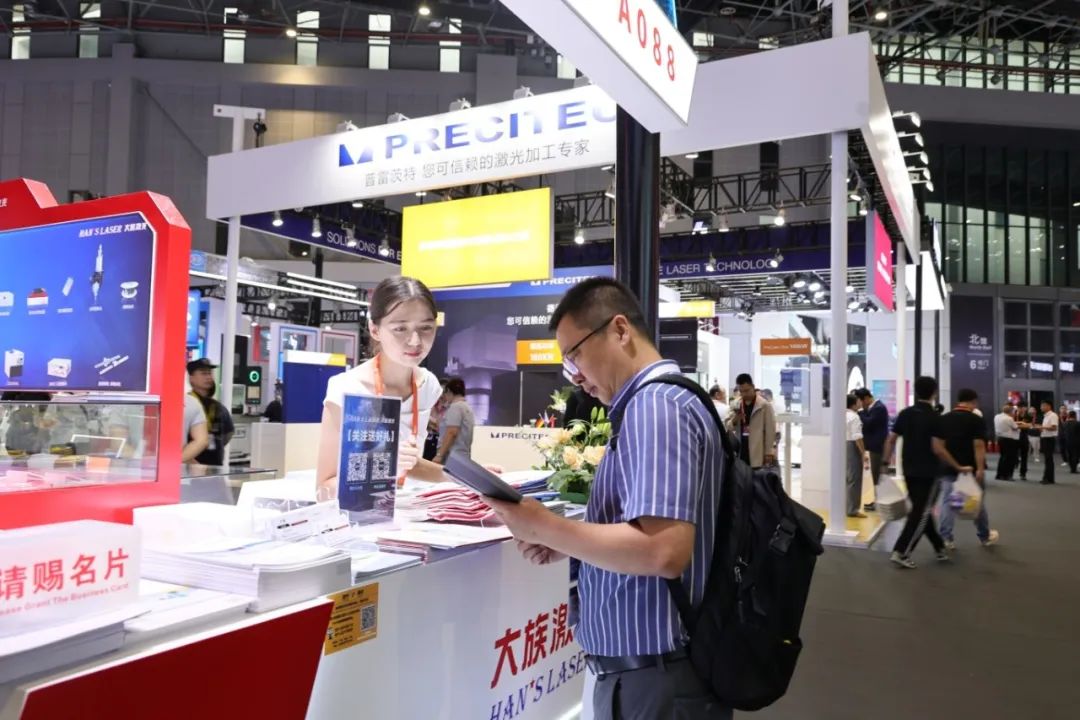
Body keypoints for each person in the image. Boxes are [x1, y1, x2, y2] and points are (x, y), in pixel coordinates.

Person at [483, 278, 729, 719]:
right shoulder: (662, 402)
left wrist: (544, 525)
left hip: (657, 678)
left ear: (619, 330)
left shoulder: (656, 407)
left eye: (575, 354)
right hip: (653, 673)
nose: (575, 375)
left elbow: (662, 551)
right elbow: (644, 532)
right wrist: (566, 542)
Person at [316, 277, 445, 499]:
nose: (415, 341)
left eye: (426, 327)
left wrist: (470, 478)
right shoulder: (347, 388)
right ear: (375, 330)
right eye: (400, 328)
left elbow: (409, 466)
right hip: (359, 515)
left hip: (410, 511)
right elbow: (324, 488)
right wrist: (380, 469)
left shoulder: (428, 385)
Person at [882, 376, 950, 569]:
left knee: (921, 510)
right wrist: (957, 465)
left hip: (909, 470)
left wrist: (885, 463)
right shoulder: (936, 418)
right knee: (920, 513)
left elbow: (891, 440)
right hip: (929, 472)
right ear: (934, 392)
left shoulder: (906, 414)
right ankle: (901, 551)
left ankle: (939, 547)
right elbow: (938, 448)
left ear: (916, 390)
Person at [937, 389, 999, 549]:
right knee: (976, 501)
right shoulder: (976, 420)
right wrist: (980, 469)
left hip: (948, 468)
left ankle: (946, 538)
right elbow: (978, 446)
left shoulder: (944, 419)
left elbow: (940, 447)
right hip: (970, 467)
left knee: (948, 502)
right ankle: (984, 536)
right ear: (974, 401)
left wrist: (950, 463)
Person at [187, 359, 235, 467]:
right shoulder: (186, 405)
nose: (208, 377)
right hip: (191, 466)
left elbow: (228, 433)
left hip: (215, 466)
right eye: (203, 373)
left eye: (210, 373)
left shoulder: (218, 407)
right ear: (191, 378)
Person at [725, 373, 776, 470]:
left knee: (756, 476)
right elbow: (728, 426)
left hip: (757, 449)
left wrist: (768, 452)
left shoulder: (764, 405)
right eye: (741, 391)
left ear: (753, 387)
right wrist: (736, 418)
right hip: (740, 449)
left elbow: (770, 430)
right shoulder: (736, 404)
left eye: (747, 390)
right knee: (742, 476)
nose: (744, 394)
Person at [854, 388, 888, 510]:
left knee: (877, 475)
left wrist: (859, 412)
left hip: (877, 447)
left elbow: (869, 423)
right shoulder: (873, 408)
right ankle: (877, 501)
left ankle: (879, 502)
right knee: (875, 475)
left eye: (861, 402)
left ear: (866, 398)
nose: (860, 405)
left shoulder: (879, 408)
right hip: (874, 446)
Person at [433, 377, 475, 464]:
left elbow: (452, 432)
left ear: (449, 391)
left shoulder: (455, 407)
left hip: (451, 457)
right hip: (462, 455)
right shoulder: (467, 407)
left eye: (445, 393)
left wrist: (439, 455)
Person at [845, 394, 867, 519]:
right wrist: (863, 452)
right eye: (858, 401)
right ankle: (853, 509)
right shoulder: (854, 417)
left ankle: (845, 506)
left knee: (845, 478)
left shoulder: (841, 415)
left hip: (842, 446)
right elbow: (857, 437)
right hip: (852, 446)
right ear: (853, 404)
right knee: (855, 478)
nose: (860, 403)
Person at [1033, 401, 1060, 485]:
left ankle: (1047, 478)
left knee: (1048, 459)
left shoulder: (1053, 415)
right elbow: (1046, 428)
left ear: (1049, 406)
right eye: (1041, 406)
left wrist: (1042, 427)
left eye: (1043, 406)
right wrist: (1041, 428)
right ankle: (1049, 478)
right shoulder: (1046, 416)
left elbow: (1054, 427)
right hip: (1045, 438)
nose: (1041, 408)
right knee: (1047, 459)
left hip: (1049, 439)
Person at [993, 404, 1020, 481]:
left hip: (1000, 438)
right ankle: (1007, 475)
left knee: (1002, 457)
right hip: (1009, 440)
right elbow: (1015, 427)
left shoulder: (997, 416)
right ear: (1011, 412)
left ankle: (999, 475)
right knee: (1010, 459)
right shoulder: (1009, 418)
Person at [181, 392, 209, 464]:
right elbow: (201, 440)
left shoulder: (191, 402)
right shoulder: (191, 402)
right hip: (175, 463)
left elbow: (201, 441)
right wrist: (175, 461)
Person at [1016, 401, 1032, 481]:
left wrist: (1016, 425)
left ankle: (1023, 473)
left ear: (1025, 408)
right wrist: (1021, 424)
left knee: (1024, 456)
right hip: (1014, 437)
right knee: (1013, 455)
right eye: (1019, 407)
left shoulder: (1028, 416)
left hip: (1024, 437)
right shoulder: (1014, 414)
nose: (1021, 409)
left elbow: (1028, 426)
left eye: (1022, 407)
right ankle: (1015, 462)